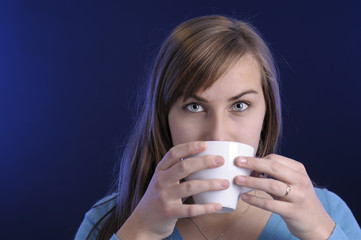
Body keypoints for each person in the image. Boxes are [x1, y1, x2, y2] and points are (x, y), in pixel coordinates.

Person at [75, 15, 361, 240]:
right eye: (195, 107)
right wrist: (140, 232)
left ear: (267, 114)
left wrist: (323, 232)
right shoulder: (109, 219)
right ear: (165, 117)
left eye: (239, 106)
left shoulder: (327, 211)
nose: (218, 134)